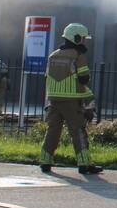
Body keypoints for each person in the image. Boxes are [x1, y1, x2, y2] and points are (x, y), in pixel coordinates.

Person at [40, 23, 103, 175]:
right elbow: (83, 79)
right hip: (72, 101)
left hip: (53, 100)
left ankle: (45, 162)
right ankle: (84, 164)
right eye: (82, 39)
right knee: (78, 132)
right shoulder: (78, 56)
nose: (84, 42)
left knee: (53, 131)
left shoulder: (52, 55)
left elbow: (47, 77)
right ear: (75, 38)